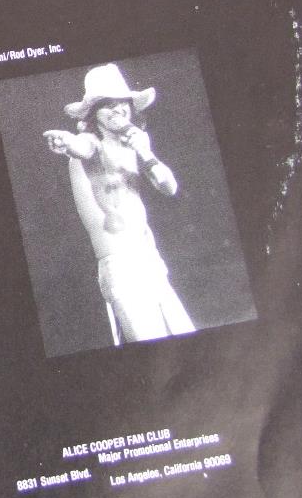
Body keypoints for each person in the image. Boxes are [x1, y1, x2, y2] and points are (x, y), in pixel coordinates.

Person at [43, 63, 195, 345]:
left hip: (149, 259)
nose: (117, 110)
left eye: (121, 102)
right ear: (93, 114)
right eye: (106, 105)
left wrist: (145, 152)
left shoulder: (137, 143)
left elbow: (170, 188)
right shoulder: (91, 142)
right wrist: (67, 142)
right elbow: (81, 147)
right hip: (121, 266)